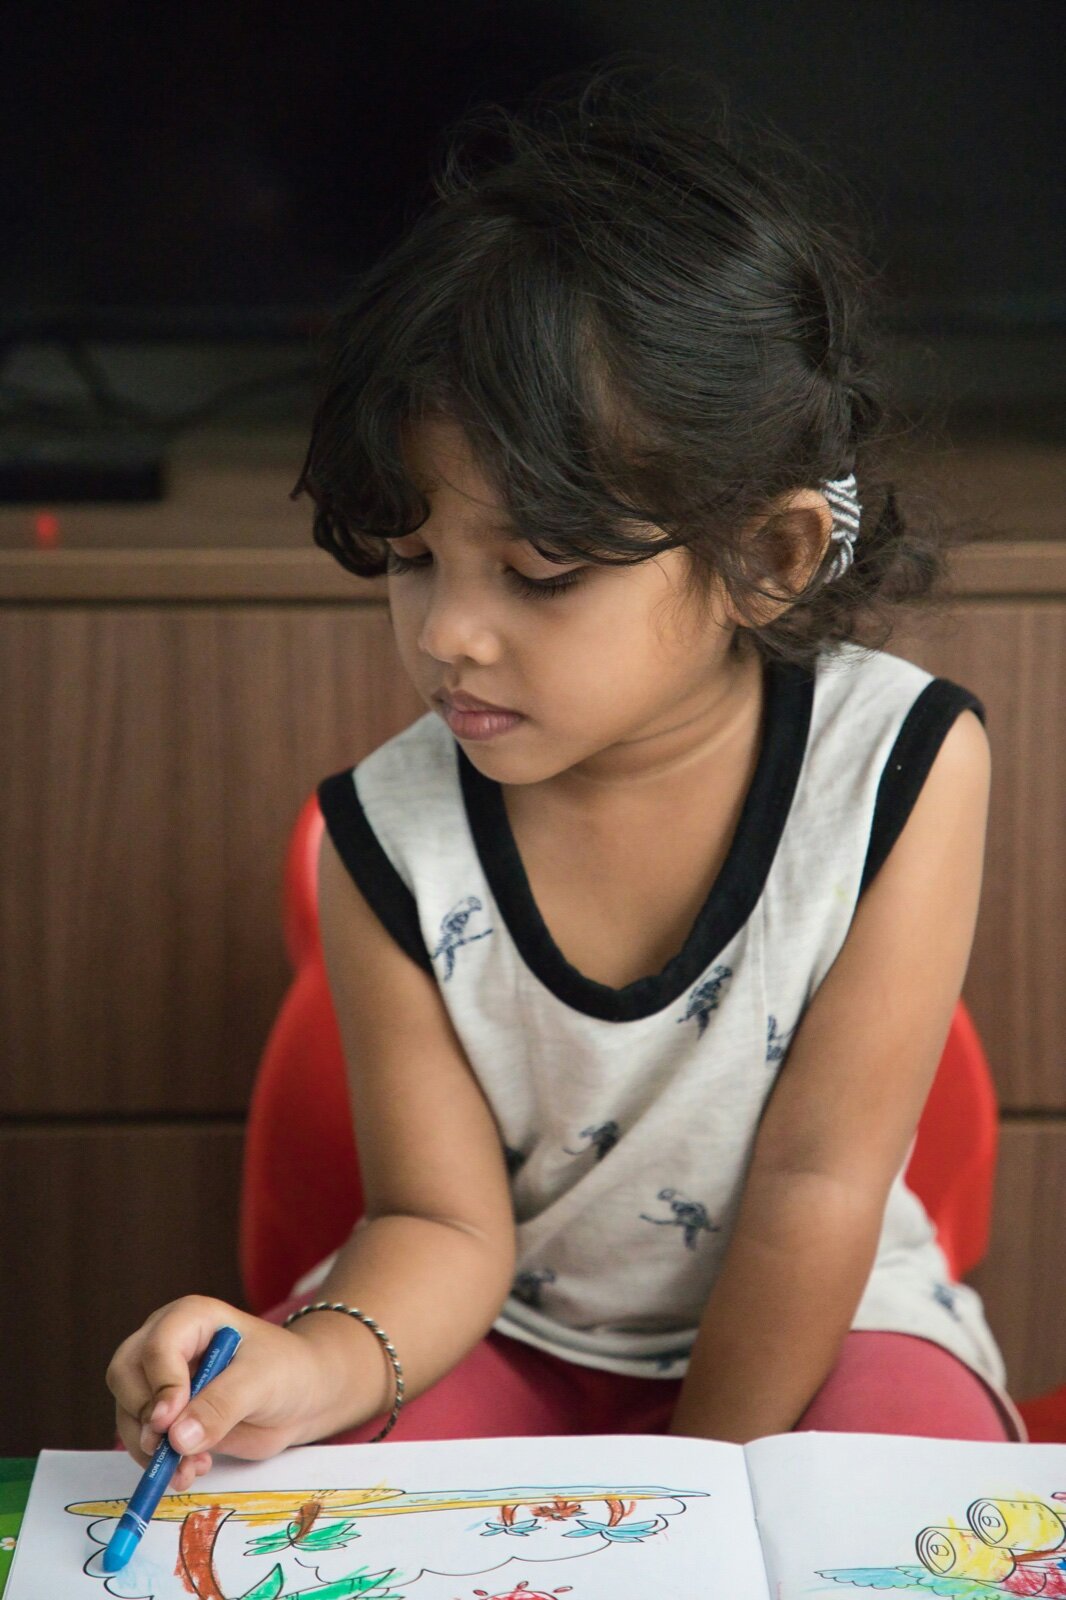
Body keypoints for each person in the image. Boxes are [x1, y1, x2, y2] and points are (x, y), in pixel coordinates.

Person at [107, 61, 1025, 1491]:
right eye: (411, 561)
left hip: (832, 1315)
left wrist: (685, 1500)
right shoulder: (383, 836)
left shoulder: (899, 764)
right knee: (299, 1499)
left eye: (538, 573)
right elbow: (440, 1229)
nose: (448, 634)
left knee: (907, 1489)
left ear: (767, 559)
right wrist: (297, 1361)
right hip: (508, 1328)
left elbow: (815, 1189)